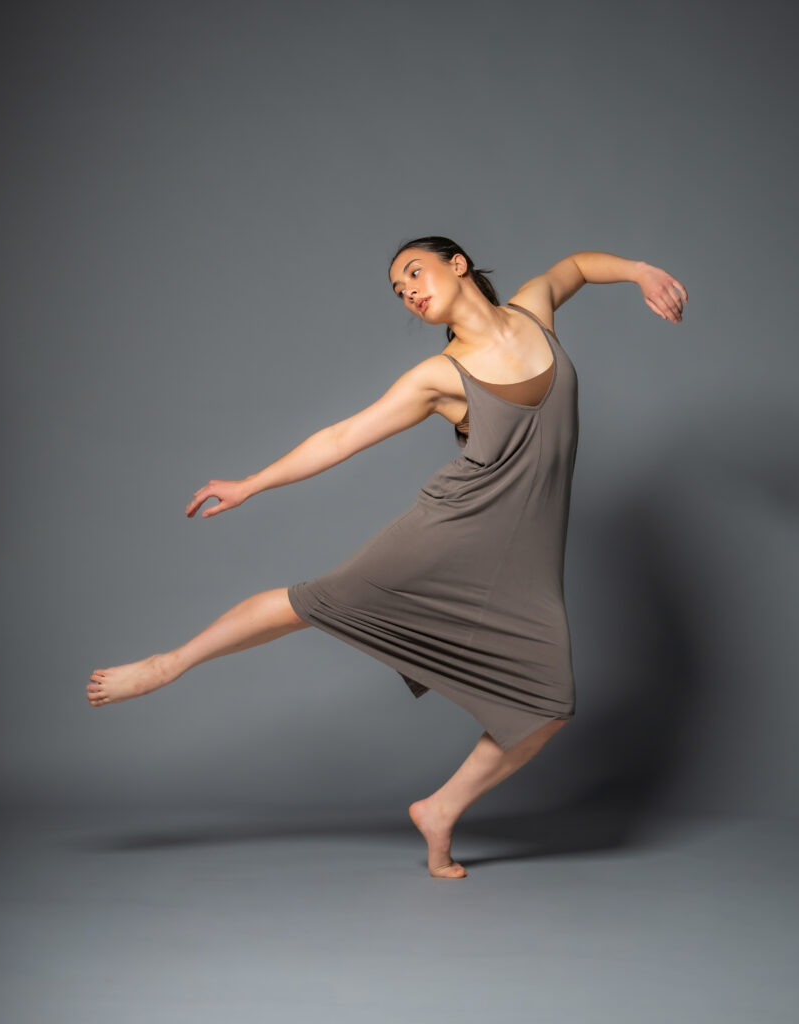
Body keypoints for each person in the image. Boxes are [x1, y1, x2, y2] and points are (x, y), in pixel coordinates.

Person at [86, 236, 688, 879]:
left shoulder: (535, 309)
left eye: (415, 273)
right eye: (400, 291)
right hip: (452, 530)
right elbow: (341, 436)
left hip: (527, 555)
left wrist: (640, 272)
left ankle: (440, 810)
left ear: (457, 264)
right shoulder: (439, 376)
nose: (409, 292)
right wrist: (248, 484)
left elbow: (574, 267)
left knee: (547, 706)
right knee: (314, 601)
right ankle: (167, 665)